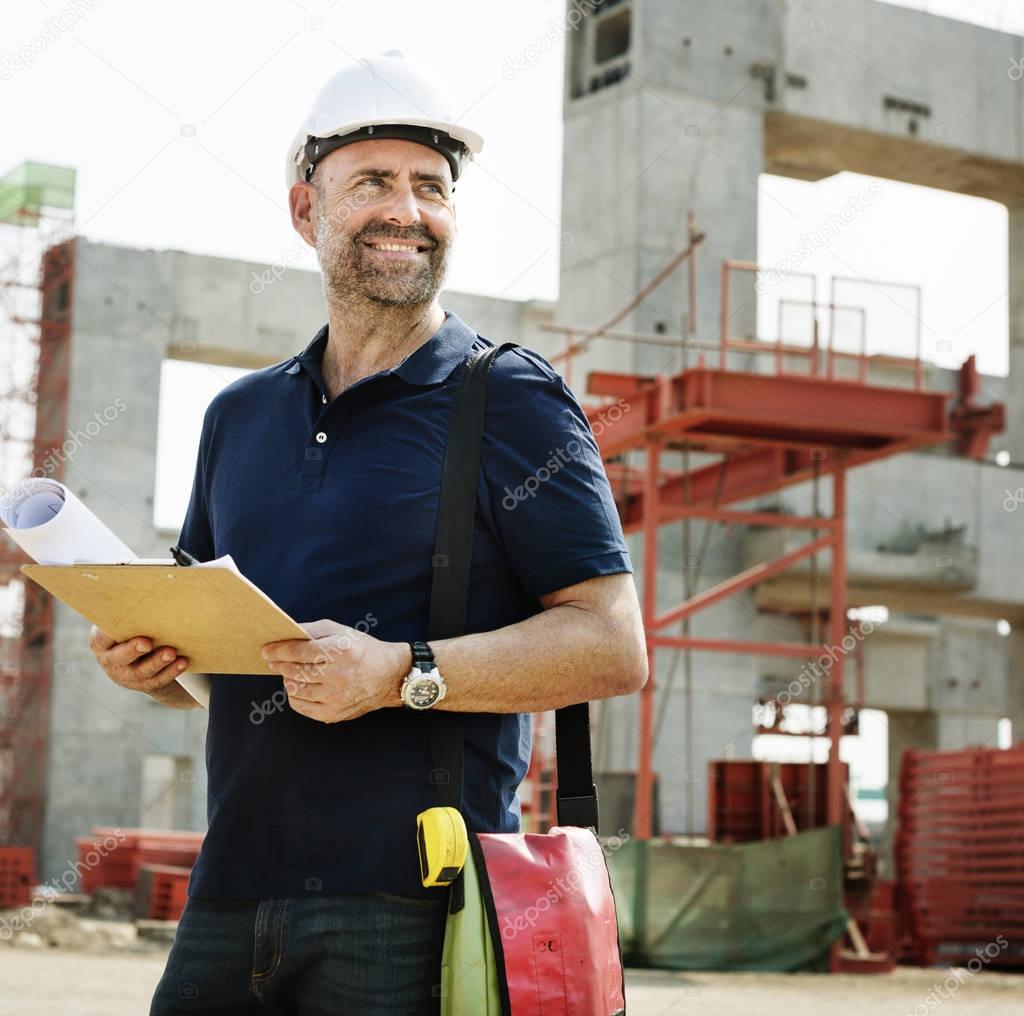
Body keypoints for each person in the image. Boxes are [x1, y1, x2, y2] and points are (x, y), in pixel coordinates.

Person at [88, 50, 646, 1016]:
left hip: (412, 901)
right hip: (230, 891)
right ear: (307, 211)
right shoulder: (239, 417)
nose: (408, 209)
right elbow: (223, 668)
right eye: (374, 183)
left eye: (432, 187)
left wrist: (401, 671)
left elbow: (612, 643)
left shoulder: (509, 400)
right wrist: (156, 664)